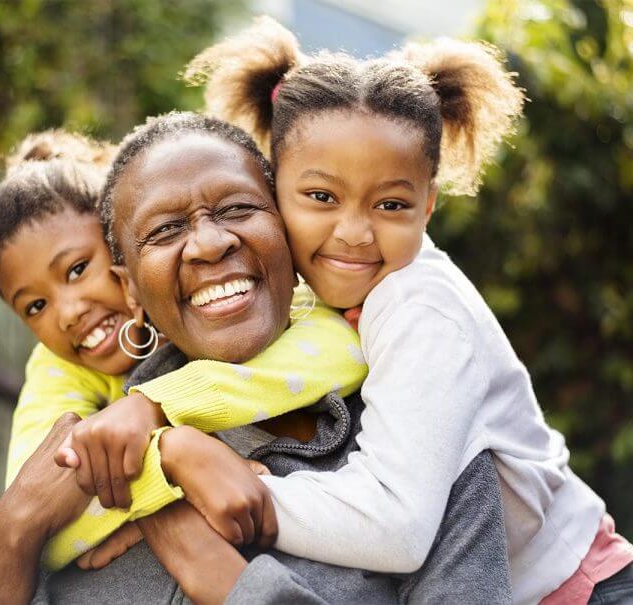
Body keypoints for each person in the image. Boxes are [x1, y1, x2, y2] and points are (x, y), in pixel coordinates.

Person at [0, 112, 513, 604]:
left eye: (239, 208)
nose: (208, 243)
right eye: (166, 229)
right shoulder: (95, 467)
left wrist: (229, 584)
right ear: (130, 288)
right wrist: (15, 532)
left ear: (289, 231)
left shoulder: (423, 447)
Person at [182, 16, 633, 604]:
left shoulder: (418, 306)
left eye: (391, 204)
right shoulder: (303, 291)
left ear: (428, 206)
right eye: (321, 197)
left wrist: (244, 490)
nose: (354, 233)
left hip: (580, 590)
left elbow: (397, 527)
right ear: (271, 184)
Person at [0, 130, 367, 571]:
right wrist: (169, 471)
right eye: (35, 306)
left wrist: (157, 408)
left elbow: (344, 349)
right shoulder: (57, 368)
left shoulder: (262, 297)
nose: (67, 312)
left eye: (79, 268)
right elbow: (35, 504)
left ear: (124, 248)